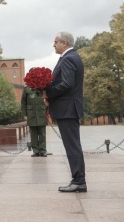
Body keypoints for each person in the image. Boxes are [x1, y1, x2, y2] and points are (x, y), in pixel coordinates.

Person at [43, 31, 86, 193]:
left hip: (67, 109)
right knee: (72, 145)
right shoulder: (71, 57)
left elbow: (67, 84)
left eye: (56, 42)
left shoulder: (69, 59)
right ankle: (78, 180)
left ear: (64, 43)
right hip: (68, 108)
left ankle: (79, 181)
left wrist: (49, 92)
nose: (54, 45)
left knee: (72, 146)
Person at [21, 83, 47, 157]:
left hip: (41, 113)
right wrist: (24, 114)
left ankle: (43, 150)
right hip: (31, 114)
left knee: (42, 133)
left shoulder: (43, 87)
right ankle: (35, 151)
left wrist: (48, 111)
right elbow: (23, 102)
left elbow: (48, 100)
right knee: (33, 134)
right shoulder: (27, 89)